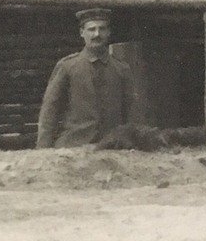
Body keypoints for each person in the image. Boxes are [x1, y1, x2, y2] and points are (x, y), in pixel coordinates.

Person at [36, 8, 140, 147]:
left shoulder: (121, 69)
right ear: (82, 33)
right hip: (73, 147)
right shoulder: (67, 66)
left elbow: (131, 113)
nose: (97, 34)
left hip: (111, 149)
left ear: (108, 32)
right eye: (91, 29)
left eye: (102, 29)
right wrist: (43, 150)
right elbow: (50, 110)